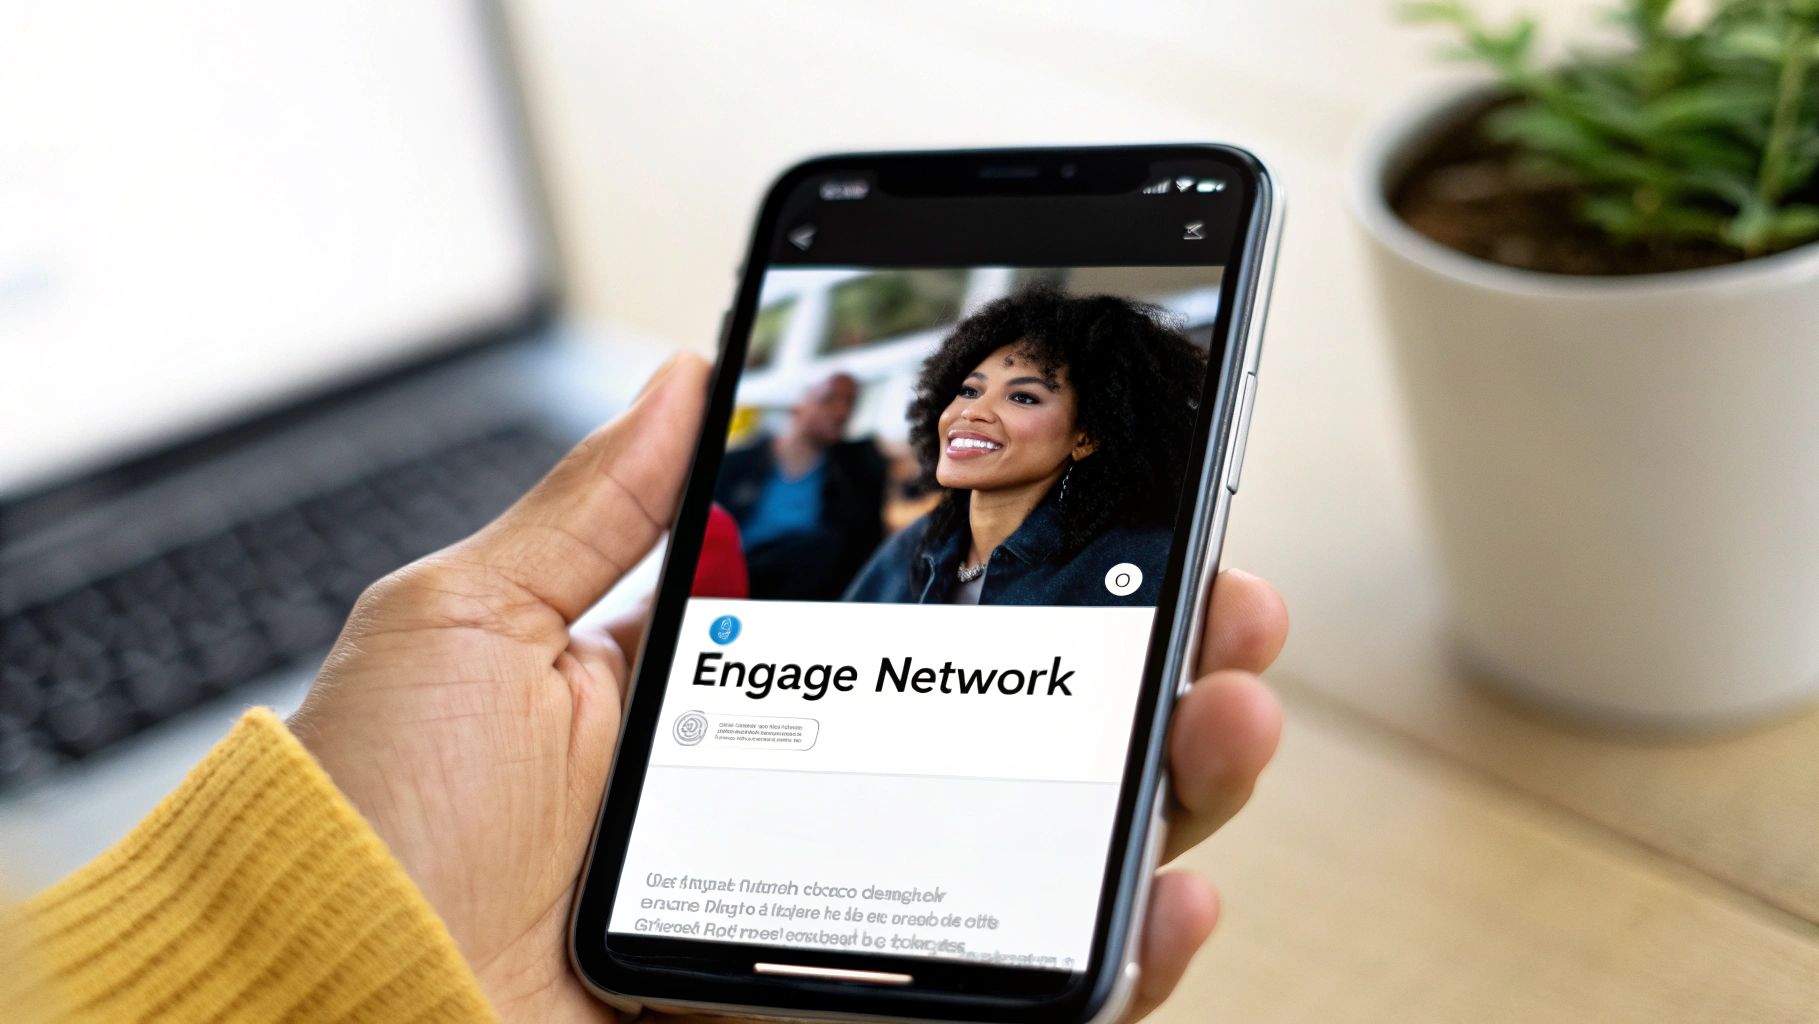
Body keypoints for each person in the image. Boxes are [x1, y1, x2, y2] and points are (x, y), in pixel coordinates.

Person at [4, 355, 1287, 1023]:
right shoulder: (902, 552)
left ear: (1094, 430)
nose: (972, 408)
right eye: (965, 382)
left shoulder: (1123, 566)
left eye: (1024, 392)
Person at [846, 288, 1205, 606]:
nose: (972, 412)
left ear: (1087, 436)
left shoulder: (1142, 564)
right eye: (970, 390)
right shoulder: (917, 544)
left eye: (1022, 397)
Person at [715, 372, 888, 599]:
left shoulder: (853, 471)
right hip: (738, 573)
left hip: (806, 587)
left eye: (849, 403)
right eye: (828, 400)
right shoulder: (736, 463)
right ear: (797, 406)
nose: (841, 412)